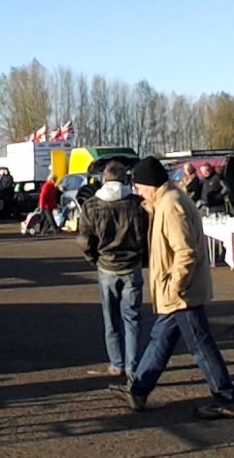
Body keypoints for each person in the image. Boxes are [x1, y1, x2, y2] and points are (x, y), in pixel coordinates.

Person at [110, 156, 234, 420]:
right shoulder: (167, 201)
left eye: (139, 186)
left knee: (200, 345)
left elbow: (185, 251)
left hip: (182, 292)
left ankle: (224, 397)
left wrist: (175, 286)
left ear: (150, 184)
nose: (137, 191)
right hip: (177, 291)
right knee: (161, 339)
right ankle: (138, 390)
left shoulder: (171, 206)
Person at [77, 161, 148, 382]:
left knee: (111, 319)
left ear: (104, 179)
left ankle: (116, 363)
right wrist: (143, 259)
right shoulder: (138, 204)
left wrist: (93, 259)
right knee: (132, 319)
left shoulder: (91, 205)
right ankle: (132, 366)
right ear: (125, 179)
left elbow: (84, 239)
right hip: (131, 266)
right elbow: (147, 235)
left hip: (106, 266)